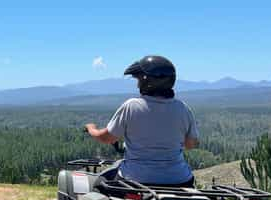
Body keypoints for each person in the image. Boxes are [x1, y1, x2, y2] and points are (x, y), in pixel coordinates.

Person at [85, 55, 199, 187]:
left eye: (139, 79)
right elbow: (191, 144)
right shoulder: (183, 108)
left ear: (147, 81)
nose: (138, 84)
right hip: (180, 180)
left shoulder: (132, 106)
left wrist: (91, 129)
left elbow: (106, 138)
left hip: (136, 180)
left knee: (98, 186)